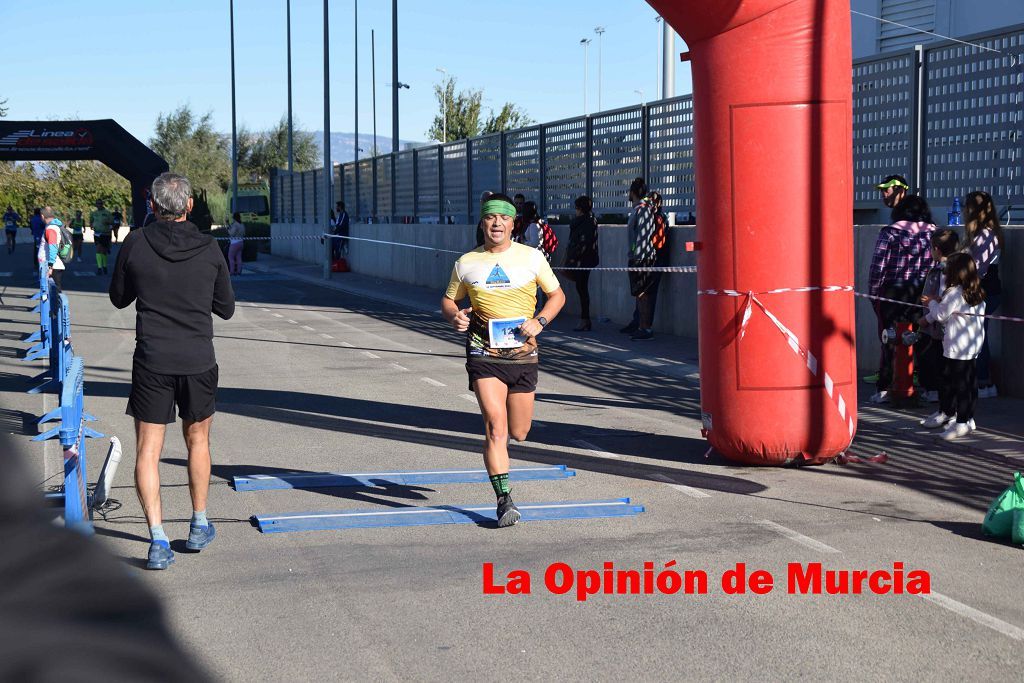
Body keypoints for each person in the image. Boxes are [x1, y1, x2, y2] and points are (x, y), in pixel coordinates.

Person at [109, 172, 235, 570]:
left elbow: (118, 298)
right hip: (198, 360)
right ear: (190, 206)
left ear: (152, 206)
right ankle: (198, 524)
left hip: (153, 361)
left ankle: (158, 540)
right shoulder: (210, 247)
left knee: (149, 450)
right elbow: (226, 308)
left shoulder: (135, 243)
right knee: (198, 442)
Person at [441, 193, 565, 528]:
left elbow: (557, 295)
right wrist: (455, 316)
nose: (497, 223)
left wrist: (539, 321)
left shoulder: (532, 257)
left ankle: (505, 472)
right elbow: (450, 299)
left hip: (524, 354)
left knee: (520, 432)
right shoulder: (467, 262)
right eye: (490, 217)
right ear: (482, 223)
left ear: (513, 223)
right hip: (483, 352)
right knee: (496, 427)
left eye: (503, 218)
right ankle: (504, 499)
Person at [867, 194, 935, 403]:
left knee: (890, 338)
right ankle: (929, 387)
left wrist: (874, 292)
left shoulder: (890, 233)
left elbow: (878, 266)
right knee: (924, 338)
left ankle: (886, 386)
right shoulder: (934, 233)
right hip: (922, 292)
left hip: (893, 292)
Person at [919, 252, 986, 440]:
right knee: (970, 382)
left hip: (957, 346)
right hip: (972, 346)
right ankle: (968, 418)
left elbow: (941, 315)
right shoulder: (977, 291)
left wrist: (931, 302)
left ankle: (961, 423)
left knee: (960, 385)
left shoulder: (955, 292)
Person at [962, 191, 1004, 398]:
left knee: (978, 338)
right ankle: (984, 381)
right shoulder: (989, 232)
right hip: (990, 291)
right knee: (980, 336)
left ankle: (983, 382)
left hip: (983, 292)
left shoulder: (983, 236)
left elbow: (976, 269)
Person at [916, 229, 960, 403]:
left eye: (931, 248)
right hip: (944, 327)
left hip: (940, 327)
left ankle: (943, 403)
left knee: (940, 367)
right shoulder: (956, 267)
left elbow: (943, 303)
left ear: (937, 249)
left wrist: (926, 319)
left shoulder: (943, 270)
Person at [624, 177, 662, 341]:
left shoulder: (643, 209)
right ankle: (641, 326)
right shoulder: (643, 209)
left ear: (632, 193)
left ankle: (645, 328)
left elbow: (641, 238)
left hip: (642, 259)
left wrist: (636, 256)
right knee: (640, 294)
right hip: (642, 257)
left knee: (643, 294)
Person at [563, 195, 599, 331]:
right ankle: (585, 319)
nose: (575, 211)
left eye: (577, 208)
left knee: (582, 289)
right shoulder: (588, 221)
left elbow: (583, 243)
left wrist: (573, 258)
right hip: (582, 260)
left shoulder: (586, 222)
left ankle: (585, 320)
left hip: (582, 261)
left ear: (580, 209)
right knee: (581, 289)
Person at [39, 207, 67, 294]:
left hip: (53, 265)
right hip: (53, 264)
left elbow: (53, 247)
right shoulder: (56, 226)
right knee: (52, 292)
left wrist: (50, 266)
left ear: (42, 216)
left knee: (55, 292)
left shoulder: (51, 228)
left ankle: (56, 307)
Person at [90, 199, 113, 275]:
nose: (98, 205)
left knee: (104, 251)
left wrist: (108, 223)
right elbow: (91, 221)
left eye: (100, 203)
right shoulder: (94, 213)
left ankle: (104, 266)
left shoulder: (107, 213)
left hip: (105, 233)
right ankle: (99, 268)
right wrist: (91, 225)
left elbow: (112, 223)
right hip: (97, 233)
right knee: (98, 249)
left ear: (102, 204)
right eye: (97, 204)